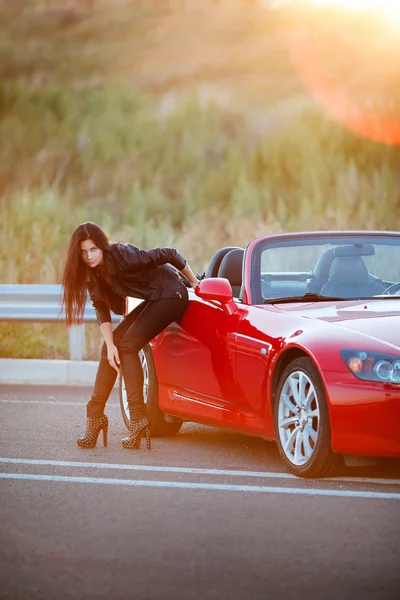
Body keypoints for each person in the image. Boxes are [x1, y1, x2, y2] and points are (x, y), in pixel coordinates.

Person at [61, 222, 199, 450]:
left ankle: (138, 420)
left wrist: (195, 282)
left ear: (102, 246)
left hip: (172, 294)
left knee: (128, 346)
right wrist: (109, 344)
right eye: (84, 252)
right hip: (155, 298)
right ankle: (95, 416)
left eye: (93, 249)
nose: (89, 256)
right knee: (111, 348)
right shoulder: (91, 272)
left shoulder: (123, 255)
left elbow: (169, 254)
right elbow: (100, 307)